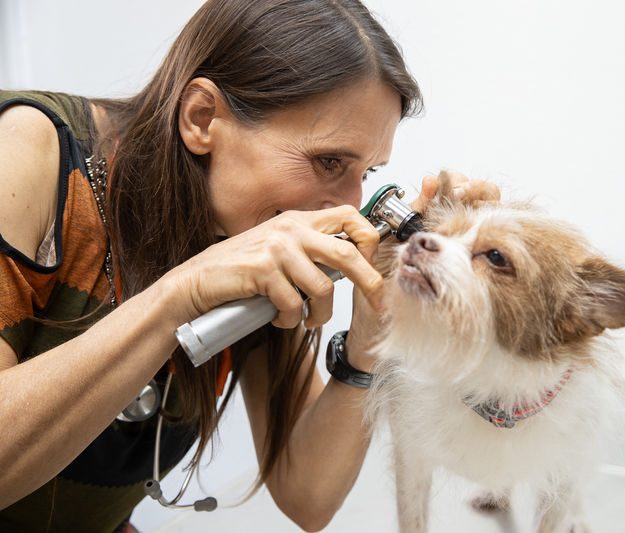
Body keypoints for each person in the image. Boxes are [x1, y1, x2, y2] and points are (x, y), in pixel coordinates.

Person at [0, 1, 489, 531]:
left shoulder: (248, 233)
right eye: (329, 161)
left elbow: (307, 495)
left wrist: (374, 327)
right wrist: (177, 299)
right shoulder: (27, 152)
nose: (349, 206)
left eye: (365, 174)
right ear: (202, 118)